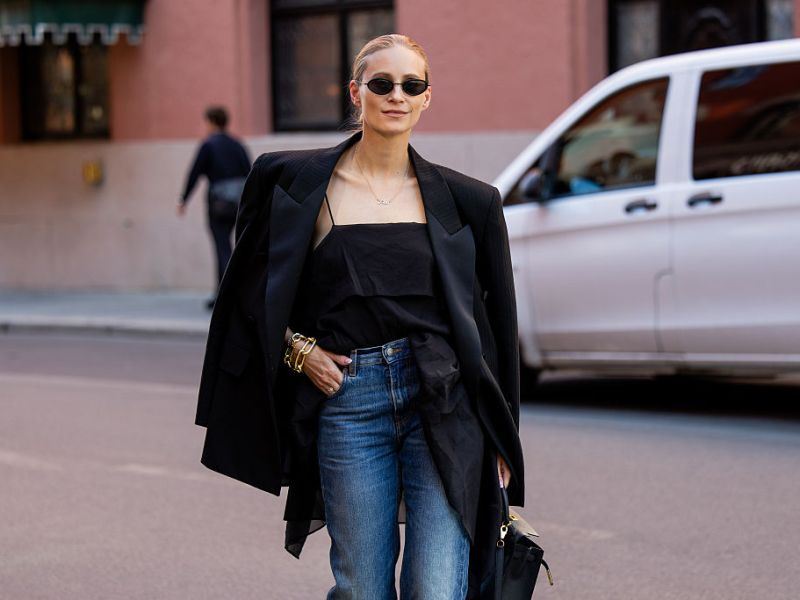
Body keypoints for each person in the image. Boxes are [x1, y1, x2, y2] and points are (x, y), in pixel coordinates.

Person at [194, 34, 525, 599]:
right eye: (382, 83)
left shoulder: (471, 201)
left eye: (411, 85)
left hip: (445, 402)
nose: (397, 95)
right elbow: (246, 296)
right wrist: (298, 350)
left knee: (438, 588)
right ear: (356, 92)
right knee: (362, 588)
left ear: (426, 98)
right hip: (350, 404)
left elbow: (496, 328)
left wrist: (503, 435)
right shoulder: (295, 186)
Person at [178, 105, 252, 309]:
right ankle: (228, 293)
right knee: (235, 247)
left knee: (222, 247)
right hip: (238, 203)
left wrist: (183, 198)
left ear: (211, 122)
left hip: (218, 204)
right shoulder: (237, 144)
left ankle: (227, 295)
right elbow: (250, 172)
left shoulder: (208, 145)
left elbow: (195, 173)